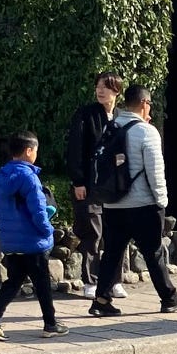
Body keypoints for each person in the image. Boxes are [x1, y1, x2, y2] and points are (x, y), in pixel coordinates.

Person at [86, 86, 177, 318]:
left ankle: (101, 300)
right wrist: (161, 201)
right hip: (143, 205)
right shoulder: (146, 132)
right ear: (144, 103)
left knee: (112, 252)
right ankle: (169, 298)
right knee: (153, 253)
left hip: (113, 203)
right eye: (150, 104)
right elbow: (155, 172)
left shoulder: (110, 127)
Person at [0, 132, 68, 340]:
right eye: (36, 150)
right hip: (32, 240)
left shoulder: (2, 175)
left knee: (13, 281)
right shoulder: (29, 176)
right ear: (29, 151)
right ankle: (50, 324)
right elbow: (38, 210)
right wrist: (47, 231)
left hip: (12, 241)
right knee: (42, 284)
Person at [65, 71, 125, 300]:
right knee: (93, 233)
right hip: (90, 185)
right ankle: (90, 281)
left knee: (116, 233)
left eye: (106, 87)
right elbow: (75, 150)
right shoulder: (86, 114)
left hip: (114, 186)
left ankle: (114, 280)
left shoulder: (121, 117)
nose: (100, 90)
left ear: (116, 91)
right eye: (98, 86)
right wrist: (78, 181)